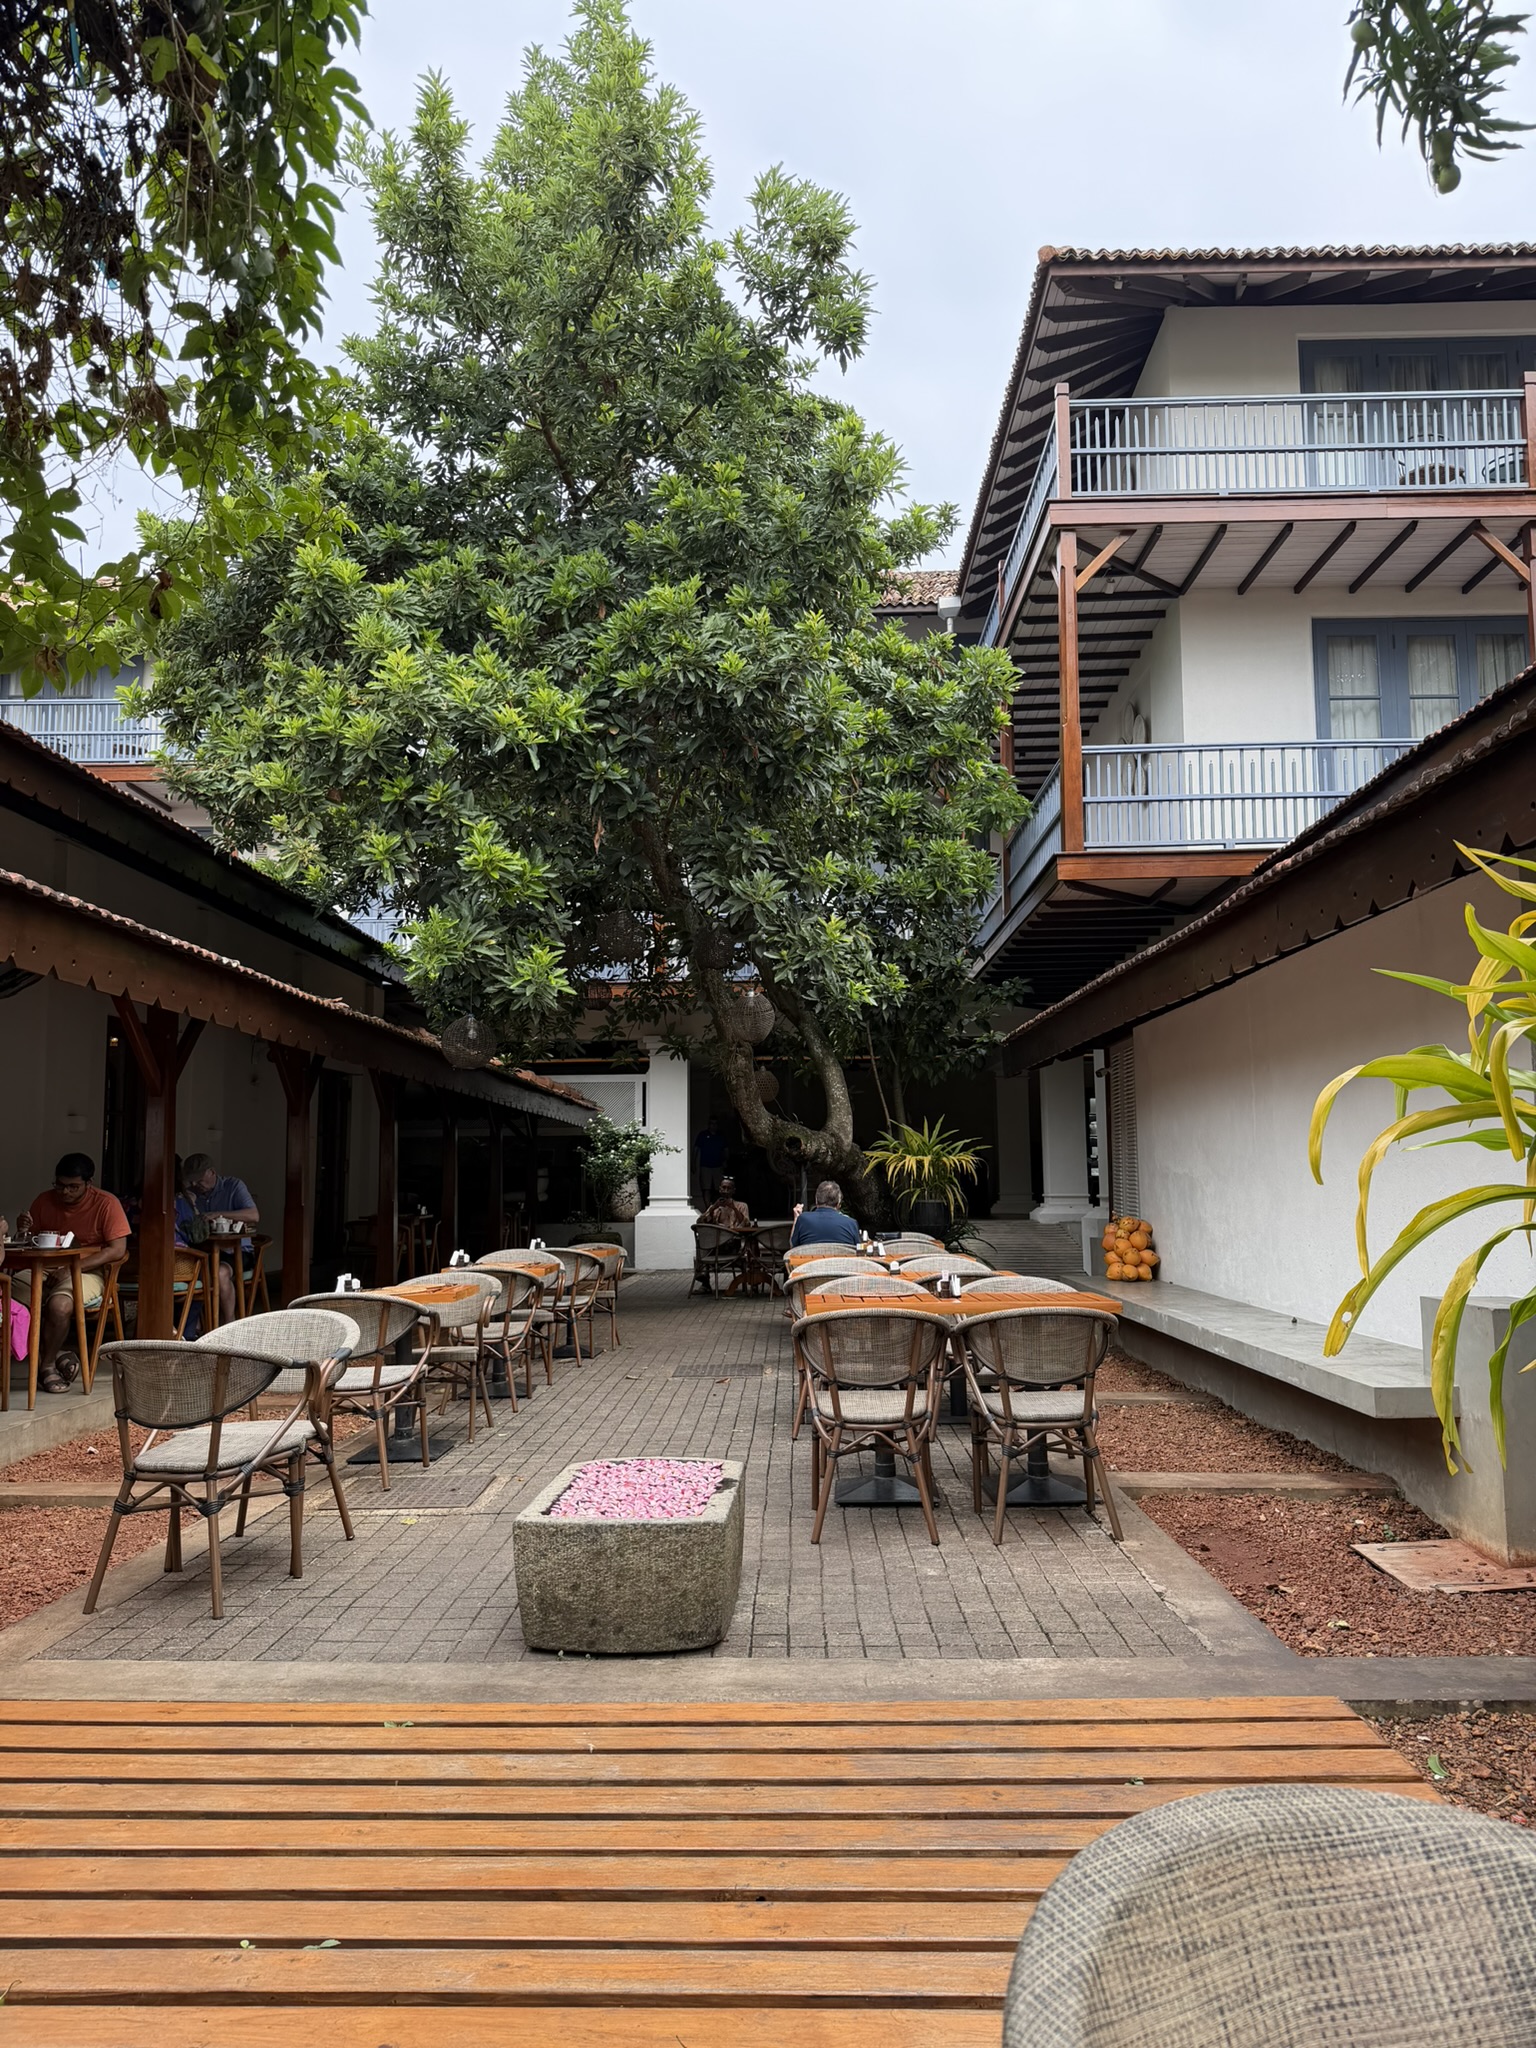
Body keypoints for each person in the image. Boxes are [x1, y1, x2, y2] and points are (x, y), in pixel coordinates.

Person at [10, 1155, 130, 1392]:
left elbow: (117, 1250)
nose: (65, 1192)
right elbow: (29, 1241)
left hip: (88, 1270)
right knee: (10, 1302)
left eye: (73, 1187)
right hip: (43, 1268)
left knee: (59, 1306)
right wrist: (22, 1231)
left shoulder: (106, 1203)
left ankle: (46, 1366)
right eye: (60, 1185)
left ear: (89, 1183)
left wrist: (72, 1268)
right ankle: (55, 1354)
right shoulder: (44, 1200)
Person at [180, 1152, 259, 1323]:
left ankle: (229, 1322)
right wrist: (190, 1203)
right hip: (204, 1251)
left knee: (220, 1273)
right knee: (189, 1271)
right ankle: (197, 1325)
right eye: (191, 1180)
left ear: (212, 1172)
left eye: (199, 1180)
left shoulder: (233, 1186)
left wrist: (219, 1214)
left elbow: (253, 1215)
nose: (194, 1184)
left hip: (236, 1251)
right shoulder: (191, 1193)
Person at [789, 1179, 861, 1250]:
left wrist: (796, 1218)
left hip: (811, 1258)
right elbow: (859, 1250)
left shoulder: (803, 1219)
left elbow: (793, 1247)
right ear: (838, 1204)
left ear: (816, 1200)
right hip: (842, 1258)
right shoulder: (851, 1223)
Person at [693, 1117, 728, 1205]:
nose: (713, 1126)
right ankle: (708, 1208)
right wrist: (693, 1163)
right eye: (712, 1123)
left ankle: (717, 1207)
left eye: (715, 1123)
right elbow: (696, 1149)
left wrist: (726, 1161)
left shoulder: (721, 1136)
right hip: (705, 1166)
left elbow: (726, 1150)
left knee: (719, 1189)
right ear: (708, 1125)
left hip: (718, 1166)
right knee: (706, 1188)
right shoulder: (703, 1135)